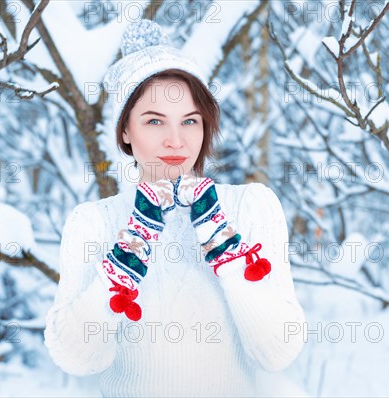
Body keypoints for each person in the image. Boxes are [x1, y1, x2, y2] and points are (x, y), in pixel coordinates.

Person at [43, 19, 306, 397]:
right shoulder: (94, 222)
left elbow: (278, 352)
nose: (176, 139)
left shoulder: (250, 206)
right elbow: (77, 357)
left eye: (190, 121)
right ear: (125, 131)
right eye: (154, 121)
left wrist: (226, 253)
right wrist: (120, 267)